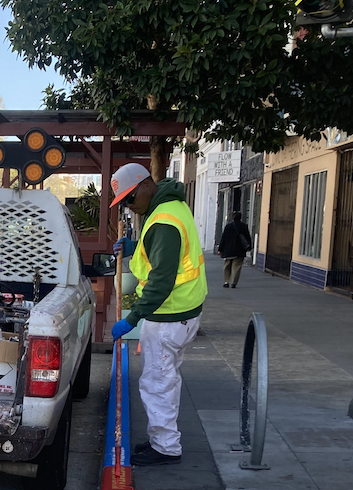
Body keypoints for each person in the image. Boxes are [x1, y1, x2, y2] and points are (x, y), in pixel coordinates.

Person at [108, 162, 208, 467]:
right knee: (166, 378)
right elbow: (163, 256)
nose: (129, 205)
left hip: (169, 315)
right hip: (181, 311)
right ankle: (162, 438)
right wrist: (135, 245)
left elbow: (161, 279)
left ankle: (165, 446)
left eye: (129, 198)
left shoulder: (163, 220)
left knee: (157, 382)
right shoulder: (171, 207)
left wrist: (132, 318)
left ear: (145, 185)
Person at [216, 211, 252, 288]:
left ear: (232, 217)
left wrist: (220, 249)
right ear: (240, 217)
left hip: (228, 250)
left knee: (227, 266)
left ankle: (226, 281)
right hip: (239, 251)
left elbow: (223, 238)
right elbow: (248, 238)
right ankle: (234, 282)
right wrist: (249, 247)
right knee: (237, 267)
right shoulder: (244, 226)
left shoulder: (228, 226)